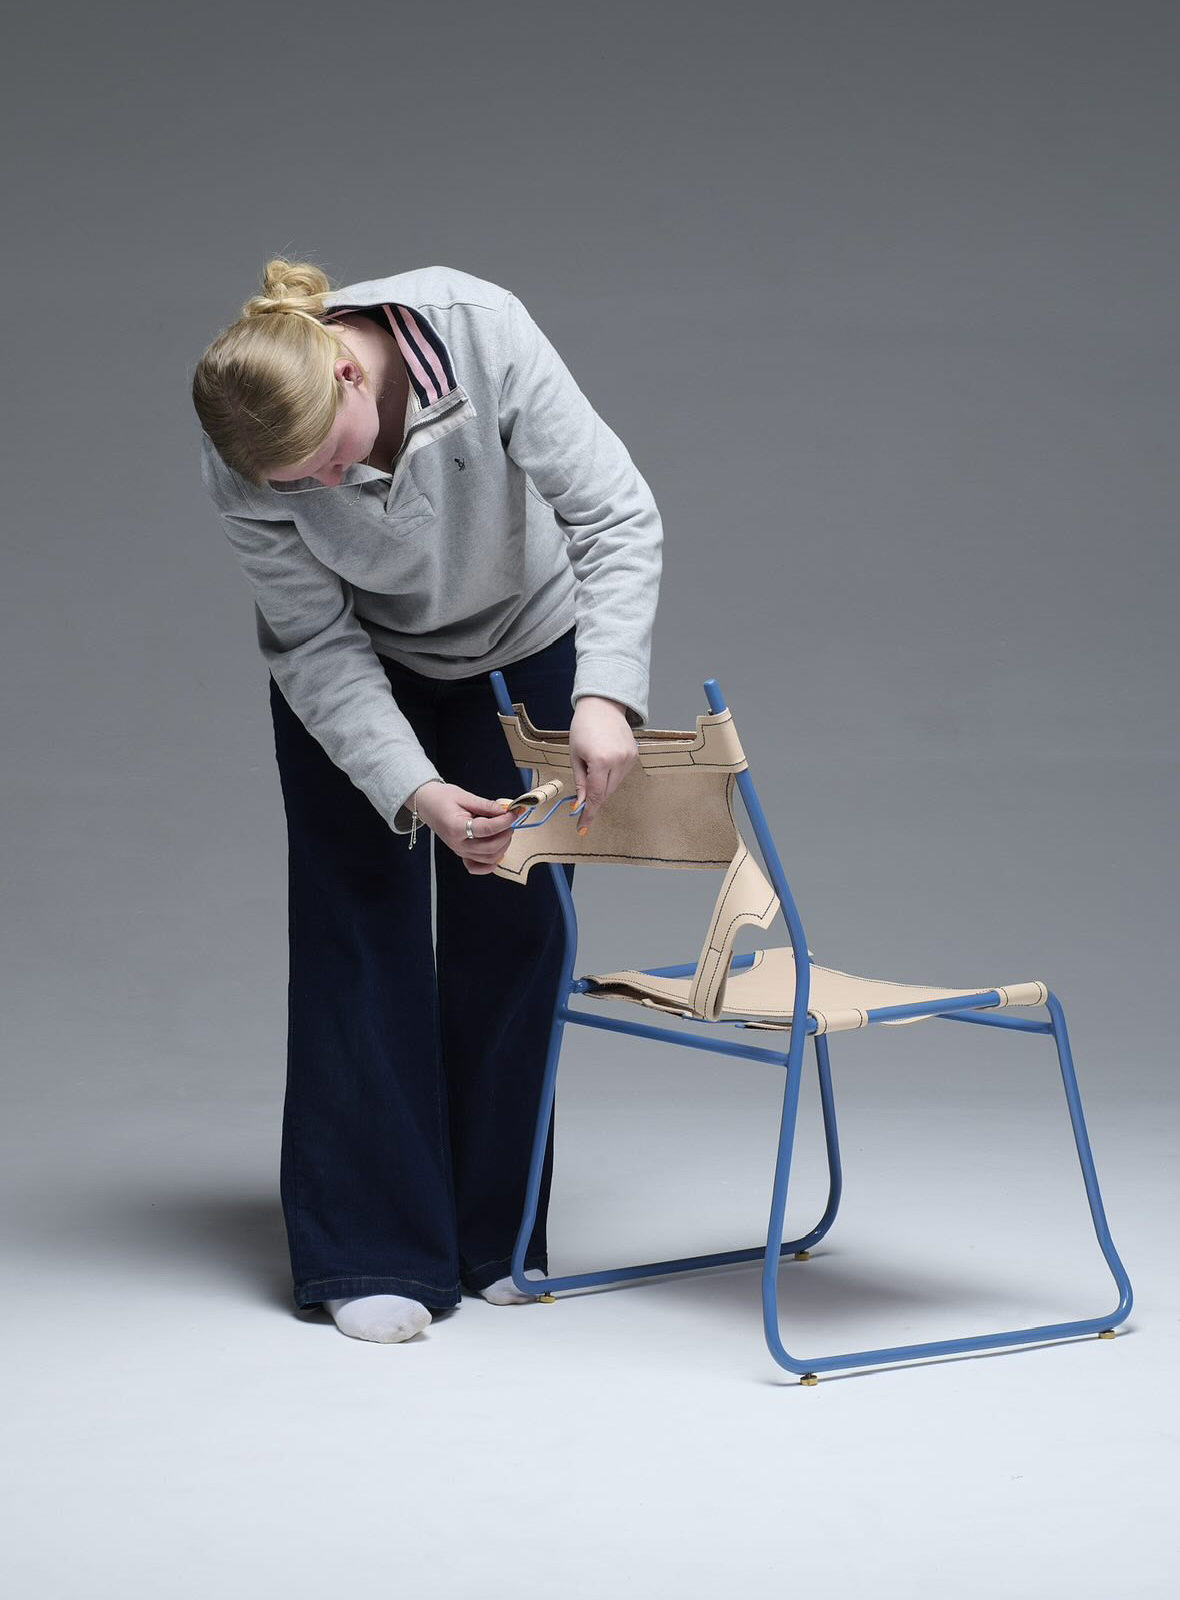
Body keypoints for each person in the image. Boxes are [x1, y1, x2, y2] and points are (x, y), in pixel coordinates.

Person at [191, 258, 663, 1342]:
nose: (323, 488)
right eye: (296, 485)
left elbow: (615, 515)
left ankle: (499, 1235)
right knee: (358, 932)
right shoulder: (246, 454)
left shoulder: (479, 328)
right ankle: (370, 1249)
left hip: (528, 642)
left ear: (350, 376)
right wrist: (414, 788)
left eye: (329, 461)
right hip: (360, 662)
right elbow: (312, 636)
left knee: (519, 922)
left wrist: (604, 696)